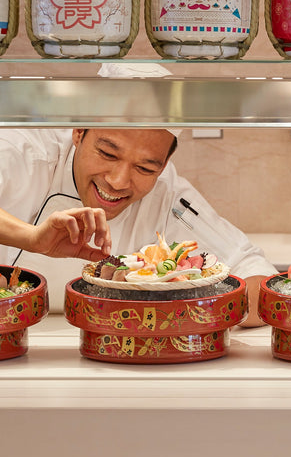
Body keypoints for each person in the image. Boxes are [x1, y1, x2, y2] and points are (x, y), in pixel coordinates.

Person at [0, 127, 277, 322]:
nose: (118, 181)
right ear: (79, 132)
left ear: (165, 165)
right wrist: (32, 238)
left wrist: (179, 312)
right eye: (108, 154)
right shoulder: (24, 151)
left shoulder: (167, 194)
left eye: (145, 169)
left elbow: (256, 276)